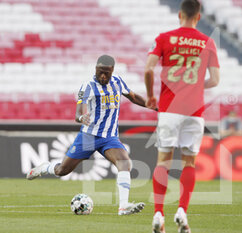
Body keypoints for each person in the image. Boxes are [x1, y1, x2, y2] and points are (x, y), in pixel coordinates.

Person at [26, 55, 150, 216]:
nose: (103, 76)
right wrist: (81, 118)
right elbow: (78, 113)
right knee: (62, 170)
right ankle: (46, 167)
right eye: (100, 72)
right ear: (95, 70)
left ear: (112, 71)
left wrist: (153, 106)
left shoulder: (118, 81)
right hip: (89, 137)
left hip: (109, 137)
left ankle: (124, 206)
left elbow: (133, 97)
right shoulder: (88, 87)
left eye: (106, 73)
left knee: (125, 163)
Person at [144, 0, 220, 232]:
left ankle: (158, 213)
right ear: (198, 17)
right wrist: (196, 86)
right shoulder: (207, 42)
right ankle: (182, 211)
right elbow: (215, 80)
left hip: (169, 109)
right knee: (189, 162)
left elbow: (148, 69)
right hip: (194, 112)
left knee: (163, 162)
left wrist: (150, 97)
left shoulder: (164, 38)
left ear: (180, 15)